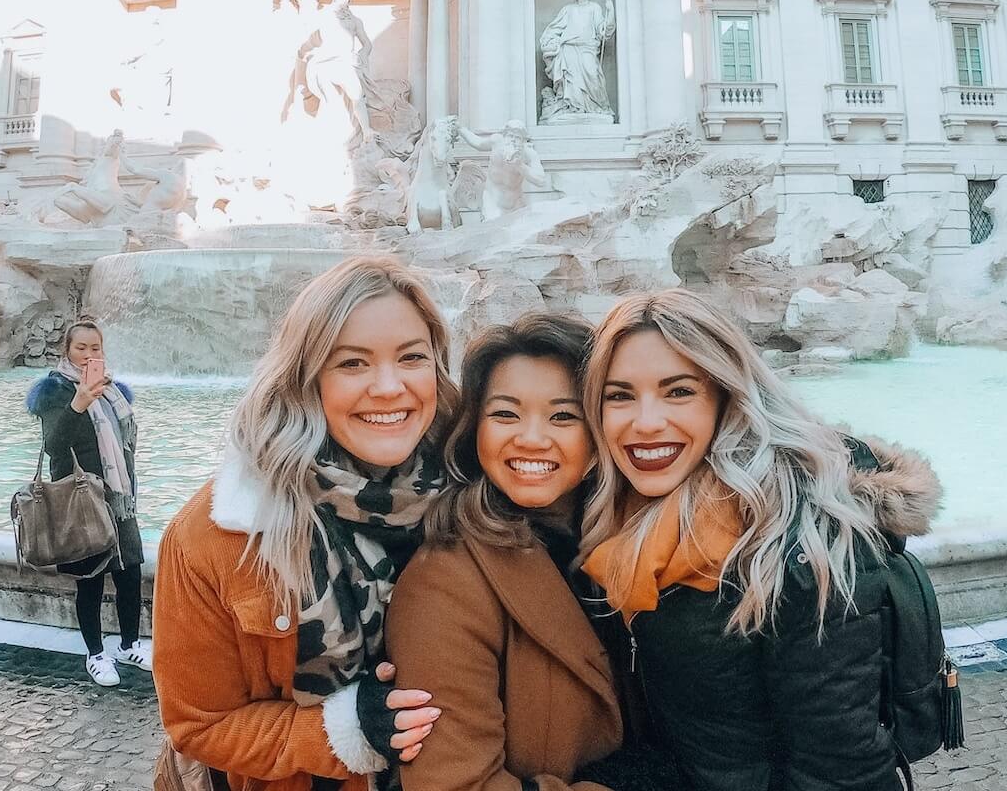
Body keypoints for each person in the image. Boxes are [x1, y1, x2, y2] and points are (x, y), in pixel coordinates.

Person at [579, 289, 941, 791]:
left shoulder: (802, 543)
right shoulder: (628, 516)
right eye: (619, 395)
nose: (645, 422)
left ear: (727, 396)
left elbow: (844, 771)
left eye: (679, 391)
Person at [152, 255, 456, 791]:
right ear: (306, 377)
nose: (389, 387)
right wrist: (347, 731)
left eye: (411, 357)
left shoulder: (472, 497)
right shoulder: (214, 535)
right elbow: (200, 724)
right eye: (352, 364)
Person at [388, 313, 633, 791]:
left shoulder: (632, 544)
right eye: (505, 414)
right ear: (473, 428)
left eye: (563, 416)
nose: (532, 438)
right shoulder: (443, 581)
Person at [27, 318, 150, 686]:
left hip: (118, 498)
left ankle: (129, 644)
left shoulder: (113, 392)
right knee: (90, 581)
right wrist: (78, 403)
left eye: (95, 348)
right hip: (82, 500)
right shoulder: (54, 392)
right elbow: (53, 445)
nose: (88, 354)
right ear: (67, 350)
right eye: (81, 348)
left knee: (129, 575)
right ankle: (96, 654)